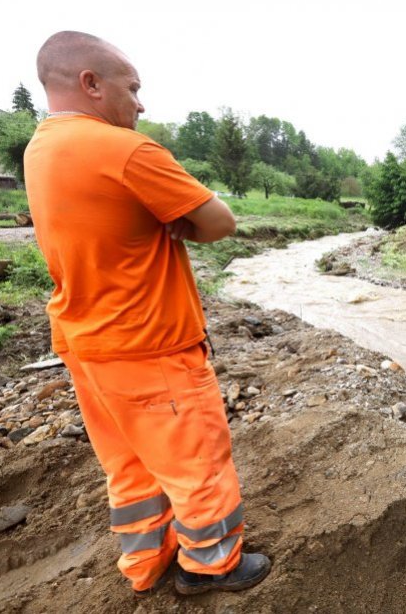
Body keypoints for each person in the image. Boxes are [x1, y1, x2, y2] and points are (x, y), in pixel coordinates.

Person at [23, 31, 271, 597]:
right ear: (91, 83)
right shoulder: (125, 150)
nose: (140, 103)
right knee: (196, 463)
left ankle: (145, 564)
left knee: (130, 467)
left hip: (85, 345)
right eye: (132, 88)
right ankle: (211, 565)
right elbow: (220, 222)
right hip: (149, 343)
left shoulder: (39, 150)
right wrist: (178, 220)